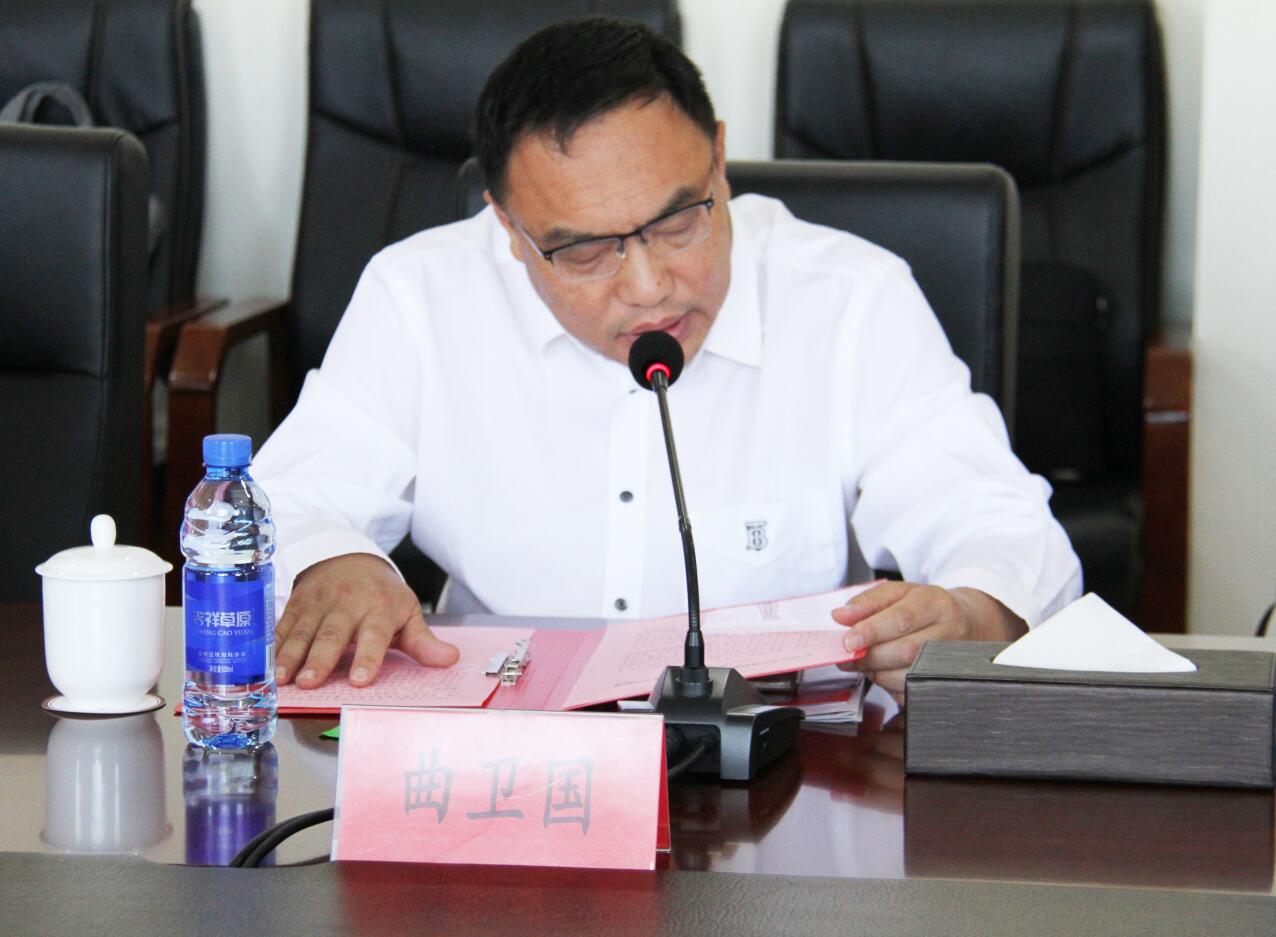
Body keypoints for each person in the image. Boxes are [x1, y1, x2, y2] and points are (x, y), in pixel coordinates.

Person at [254, 17, 1081, 703]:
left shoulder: (851, 297)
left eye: (679, 221)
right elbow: (281, 501)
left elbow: (997, 523)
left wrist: (976, 612)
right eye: (585, 252)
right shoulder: (420, 294)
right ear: (508, 226)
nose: (649, 287)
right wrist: (333, 560)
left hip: (783, 765)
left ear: (718, 157)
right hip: (505, 754)